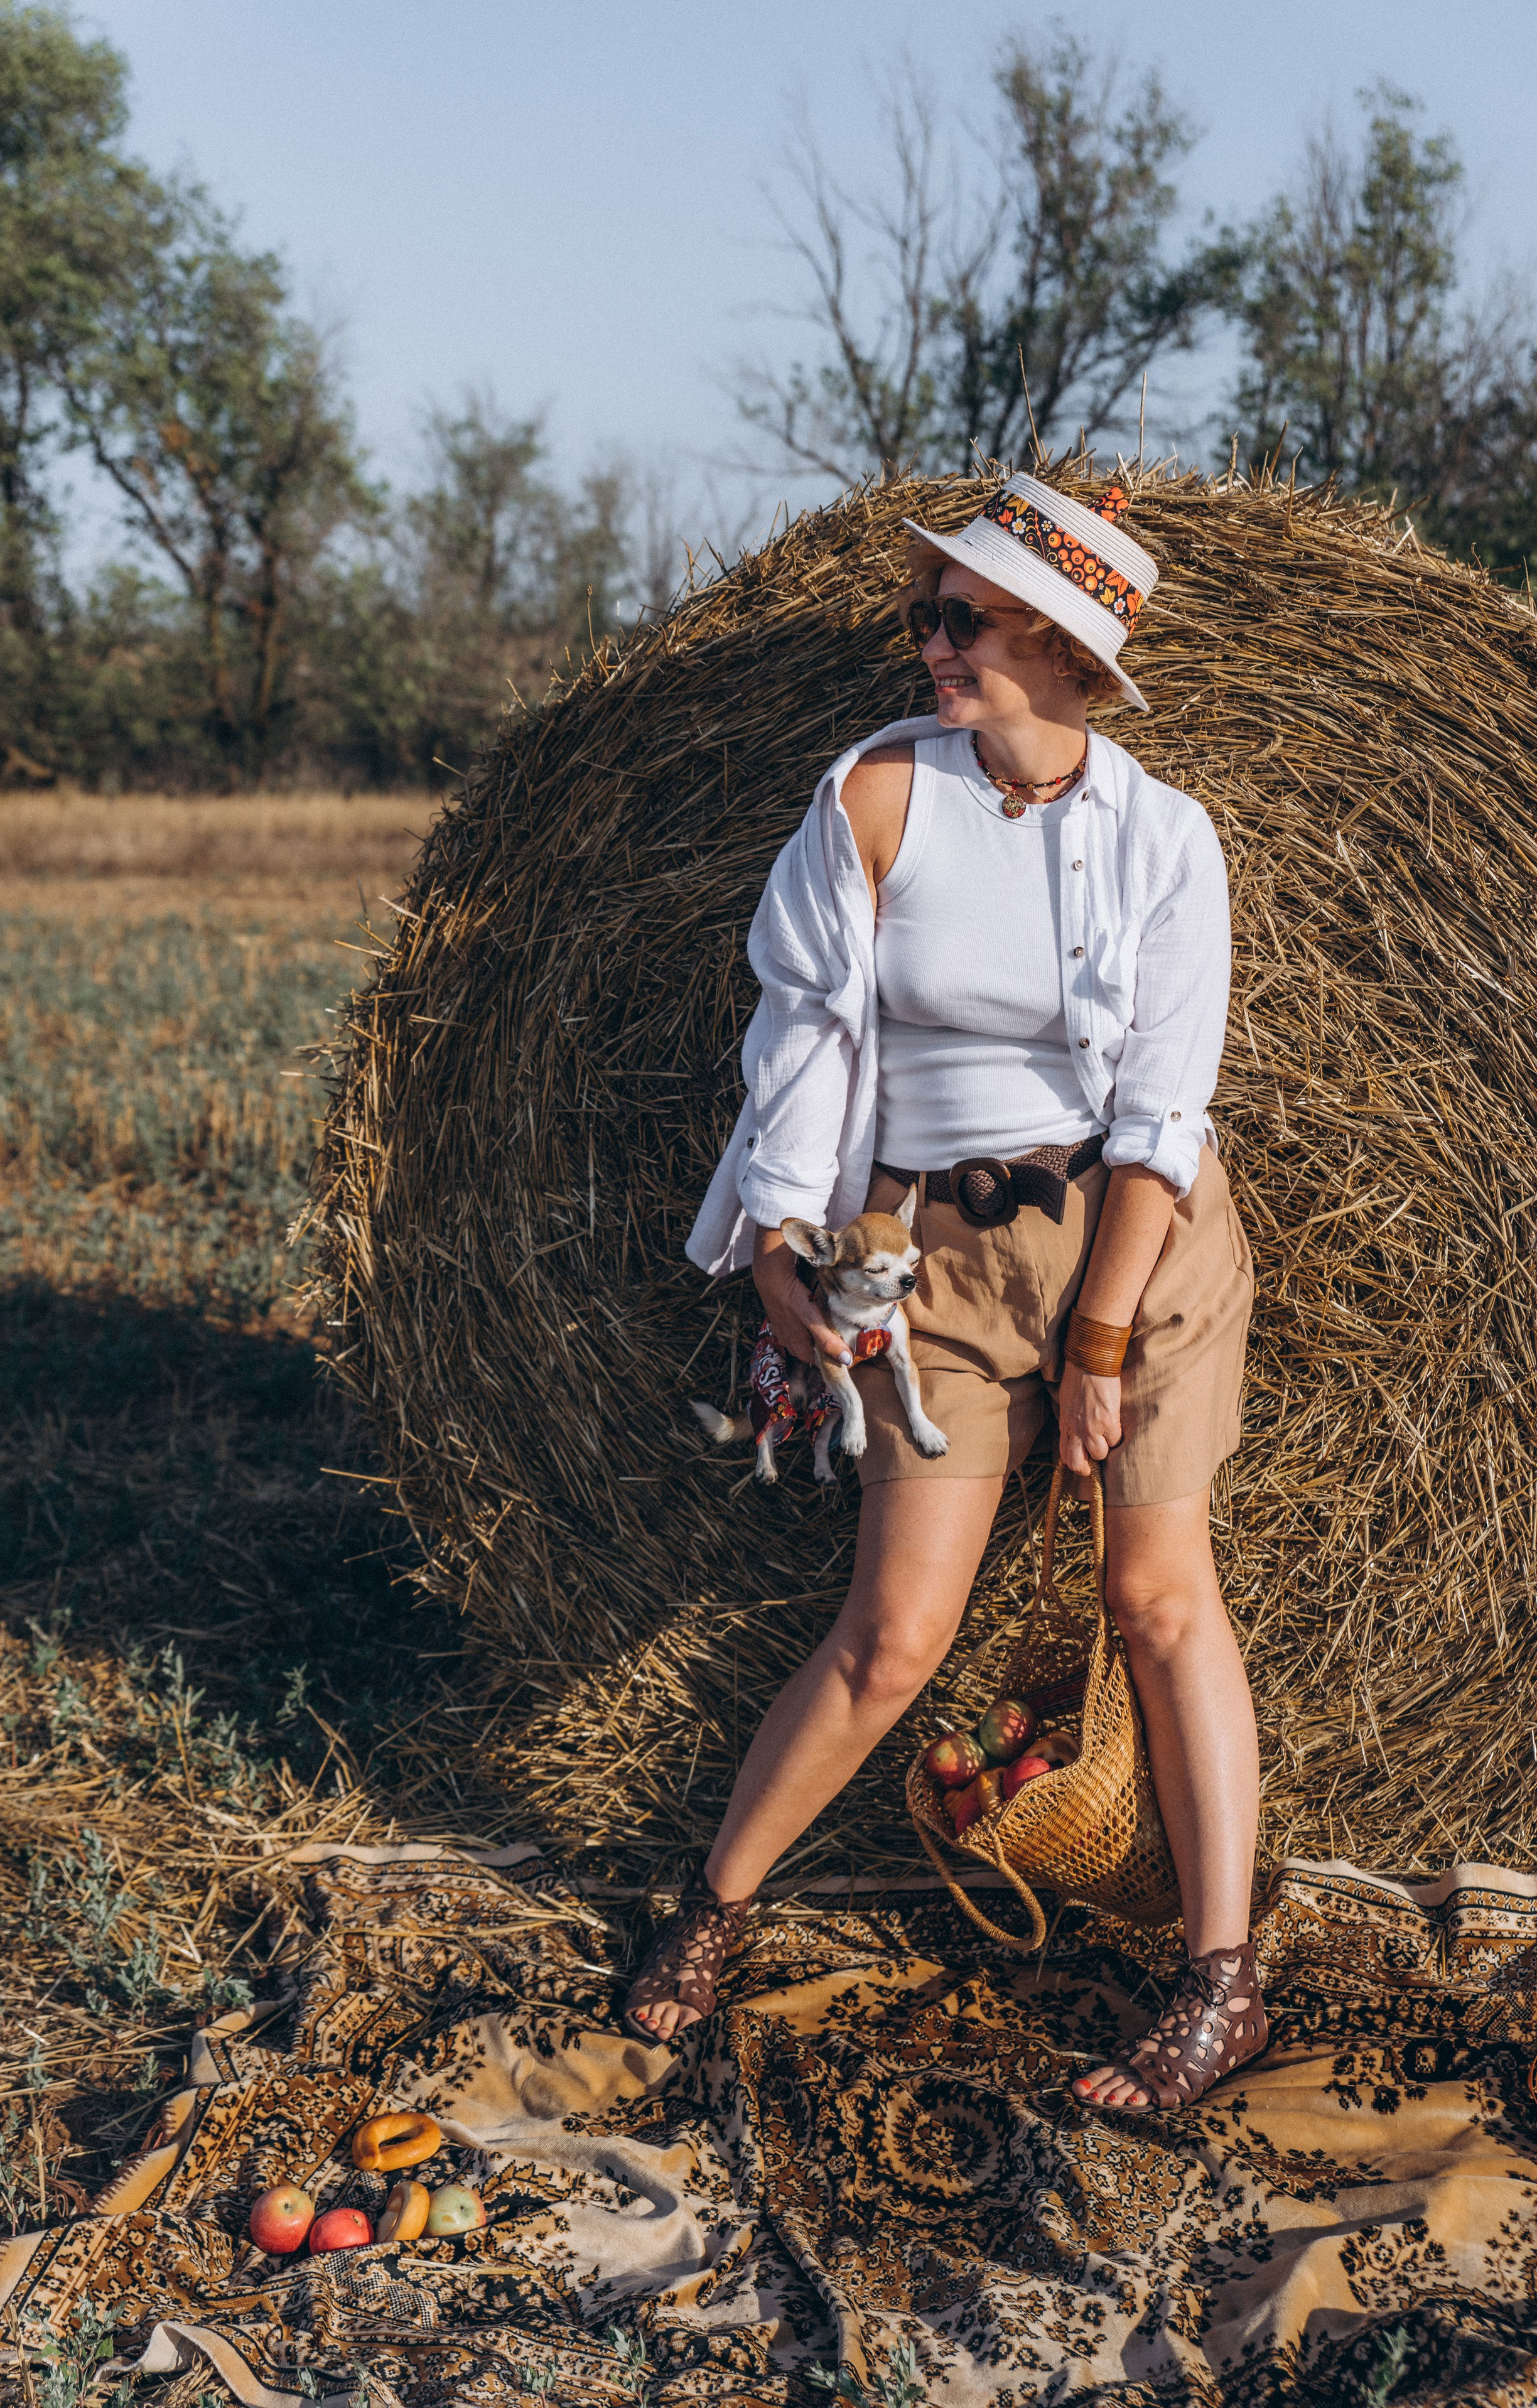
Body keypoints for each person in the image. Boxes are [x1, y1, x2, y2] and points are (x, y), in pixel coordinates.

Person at [625, 473, 1265, 2113]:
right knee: (897, 1631)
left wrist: (1107, 1339)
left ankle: (1218, 1978)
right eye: (933, 614)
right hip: (937, 1256)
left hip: (1144, 1235)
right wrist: (779, 1239)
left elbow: (1162, 1117)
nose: (931, 644)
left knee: (1158, 1596)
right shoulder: (874, 797)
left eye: (962, 619)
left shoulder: (1163, 840)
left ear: (1059, 645)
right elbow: (807, 1039)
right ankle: (716, 1908)